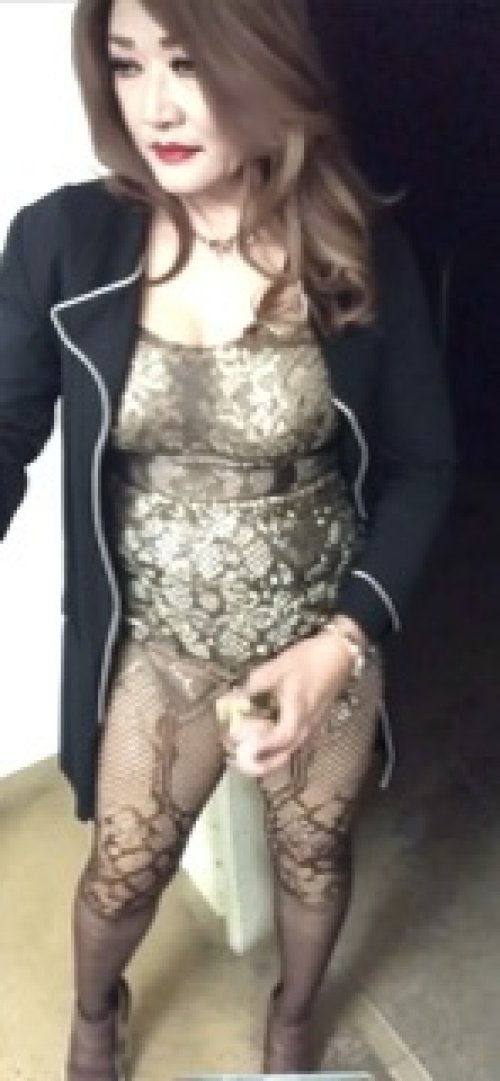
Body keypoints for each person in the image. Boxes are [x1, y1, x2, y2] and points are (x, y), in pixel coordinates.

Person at [0, 0, 456, 1077]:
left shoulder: (354, 245)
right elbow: (6, 421)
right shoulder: (63, 239)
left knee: (313, 856)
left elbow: (422, 467)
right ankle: (97, 1015)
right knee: (124, 867)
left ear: (265, 69)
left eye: (189, 63)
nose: (155, 106)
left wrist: (341, 641)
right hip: (157, 643)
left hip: (318, 635)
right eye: (127, 65)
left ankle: (292, 1022)